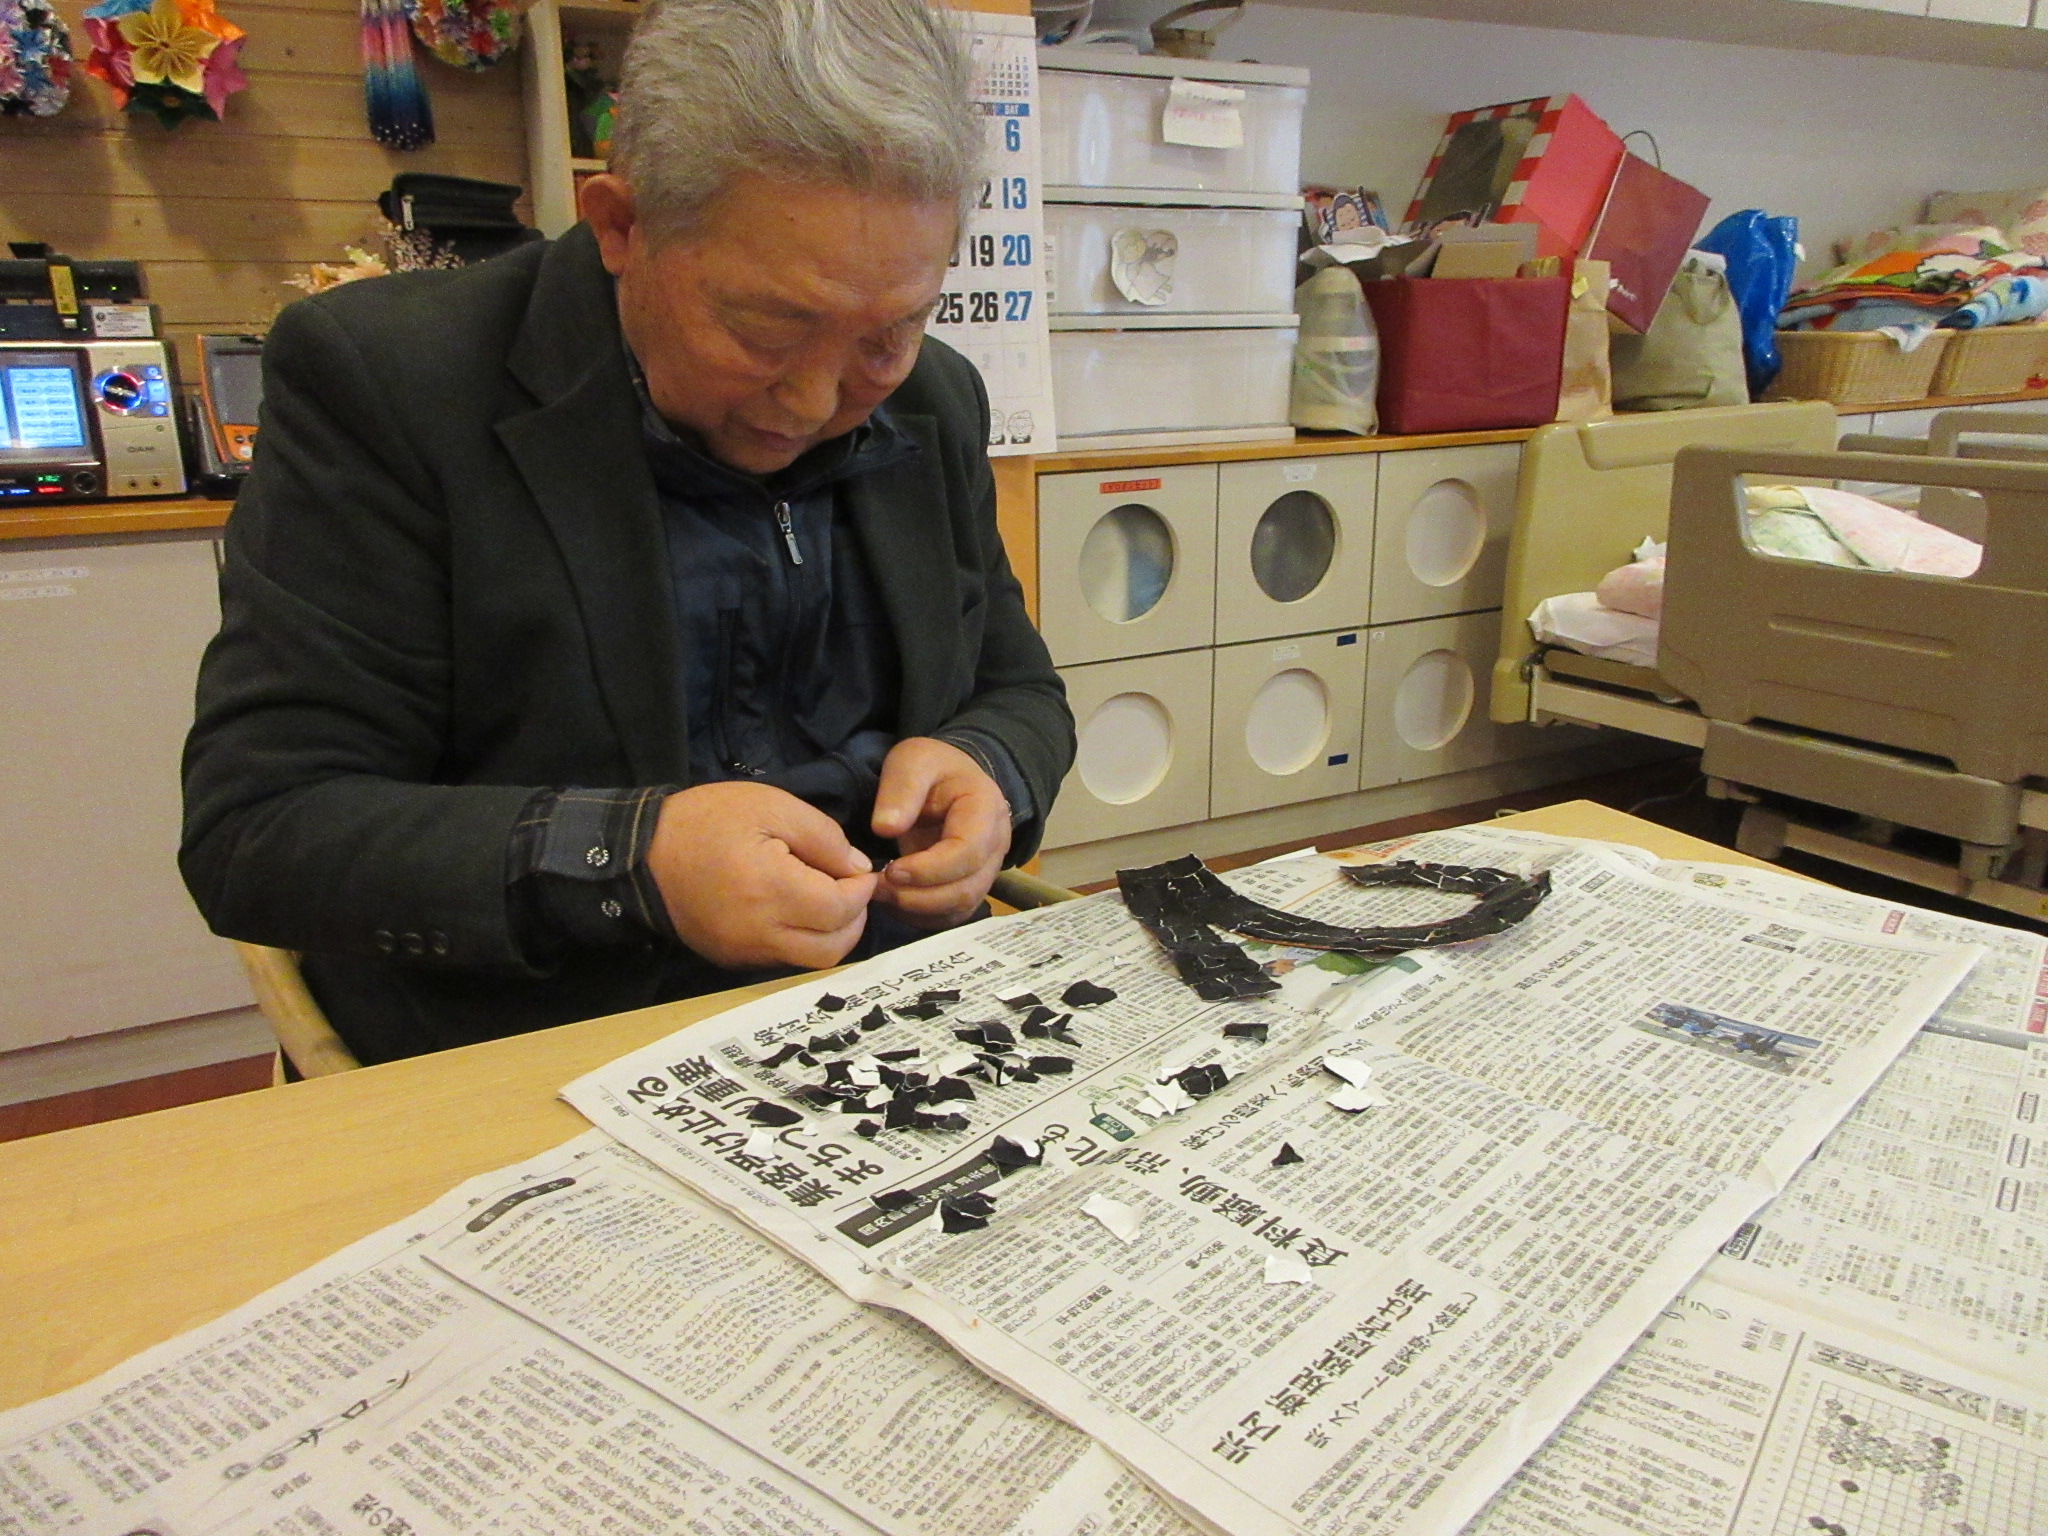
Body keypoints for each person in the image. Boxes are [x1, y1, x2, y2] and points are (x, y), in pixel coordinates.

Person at [180, 0, 1073, 1065]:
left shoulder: (933, 400)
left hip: (888, 1018)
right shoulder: (393, 384)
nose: (814, 400)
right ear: (620, 226)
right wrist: (633, 859)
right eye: (764, 327)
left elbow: (1020, 690)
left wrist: (987, 768)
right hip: (549, 1040)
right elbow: (262, 829)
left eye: (888, 333)